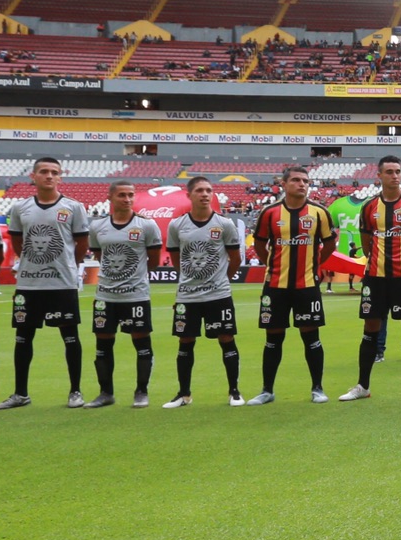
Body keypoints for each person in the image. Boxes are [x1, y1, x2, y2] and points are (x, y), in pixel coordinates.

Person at [0, 156, 90, 409]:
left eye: (54, 172)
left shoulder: (73, 207)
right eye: (44, 172)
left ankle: (75, 391)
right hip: (29, 284)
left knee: (70, 336)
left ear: (60, 177)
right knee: (23, 337)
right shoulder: (20, 208)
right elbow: (17, 243)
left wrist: (68, 264)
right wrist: (30, 261)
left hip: (62, 283)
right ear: (33, 176)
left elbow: (82, 245)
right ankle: (20, 393)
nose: (49, 176)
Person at [339, 156, 401, 402]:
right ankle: (363, 386)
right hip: (375, 278)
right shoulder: (369, 207)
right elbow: (367, 245)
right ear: (379, 176)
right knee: (371, 328)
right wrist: (379, 262)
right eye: (389, 171)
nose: (395, 175)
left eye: (398, 171)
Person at [248, 164, 336, 404]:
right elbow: (259, 244)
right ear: (284, 184)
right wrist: (272, 265)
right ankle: (267, 390)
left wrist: (314, 264)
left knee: (311, 337)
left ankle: (317, 388)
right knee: (273, 337)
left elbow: (329, 245)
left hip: (307, 286)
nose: (302, 184)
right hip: (275, 286)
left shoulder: (319, 212)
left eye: (305, 181)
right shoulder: (270, 213)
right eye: (296, 180)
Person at [164, 176, 245, 407]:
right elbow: (176, 260)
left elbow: (235, 258)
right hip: (187, 296)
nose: (205, 194)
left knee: (227, 339)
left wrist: (222, 281)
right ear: (189, 195)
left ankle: (234, 391)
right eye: (199, 190)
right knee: (185, 341)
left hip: (218, 295)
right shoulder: (176, 225)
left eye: (209, 190)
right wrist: (187, 283)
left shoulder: (224, 224)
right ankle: (184, 394)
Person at [80, 180, 160, 408]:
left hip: (136, 296)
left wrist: (134, 278)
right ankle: (106, 393)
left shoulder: (147, 225)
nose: (127, 199)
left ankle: (141, 391)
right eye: (122, 195)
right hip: (105, 296)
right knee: (103, 344)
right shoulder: (97, 226)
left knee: (142, 342)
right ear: (110, 198)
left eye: (130, 195)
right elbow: (99, 255)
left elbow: (153, 260)